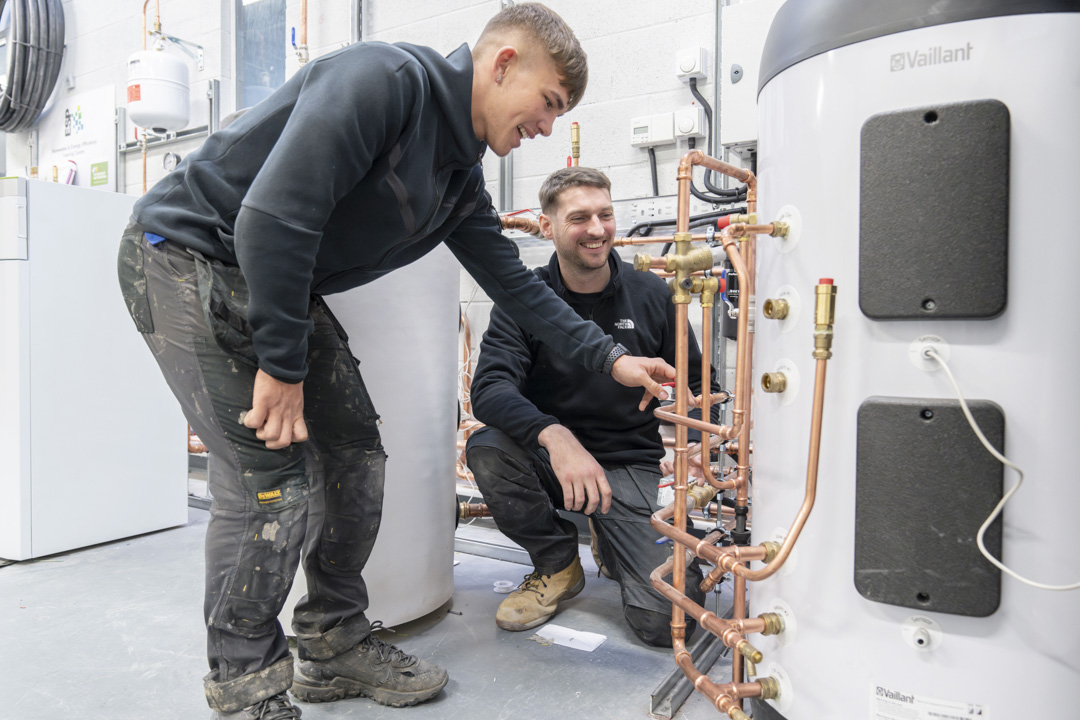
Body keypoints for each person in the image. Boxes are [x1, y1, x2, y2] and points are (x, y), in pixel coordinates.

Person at [115, 5, 677, 719]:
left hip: (277, 280)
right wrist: (283, 368)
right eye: (548, 103)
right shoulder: (385, 81)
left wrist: (613, 359)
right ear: (503, 63)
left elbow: (516, 287)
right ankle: (244, 683)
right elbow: (272, 218)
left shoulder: (458, 179)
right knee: (269, 486)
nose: (545, 127)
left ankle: (333, 642)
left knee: (355, 455)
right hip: (185, 256)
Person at [465, 167, 721, 647]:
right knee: (488, 448)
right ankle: (557, 562)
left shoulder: (651, 293)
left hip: (628, 463)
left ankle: (615, 537)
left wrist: (692, 426)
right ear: (547, 227)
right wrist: (555, 436)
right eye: (579, 218)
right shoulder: (525, 298)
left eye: (605, 214)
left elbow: (699, 385)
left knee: (667, 622)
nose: (598, 229)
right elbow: (491, 389)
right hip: (549, 460)